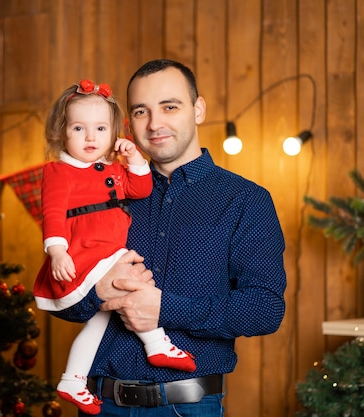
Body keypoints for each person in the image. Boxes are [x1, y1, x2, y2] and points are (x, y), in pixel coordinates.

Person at [51, 60, 287, 416]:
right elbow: (61, 293)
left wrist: (166, 309)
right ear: (128, 123)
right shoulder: (104, 195)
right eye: (141, 111)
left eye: (169, 107)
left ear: (198, 110)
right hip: (101, 404)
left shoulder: (245, 200)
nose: (154, 123)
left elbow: (265, 309)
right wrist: (96, 294)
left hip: (187, 407)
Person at [33, 79, 197, 415]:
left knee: (100, 320)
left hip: (108, 253)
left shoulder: (111, 169)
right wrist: (56, 250)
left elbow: (140, 189)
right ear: (62, 132)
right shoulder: (59, 171)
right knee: (136, 281)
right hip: (87, 252)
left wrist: (135, 158)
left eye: (100, 128)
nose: (90, 137)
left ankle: (73, 379)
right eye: (79, 128)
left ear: (114, 132)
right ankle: (157, 342)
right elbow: (51, 211)